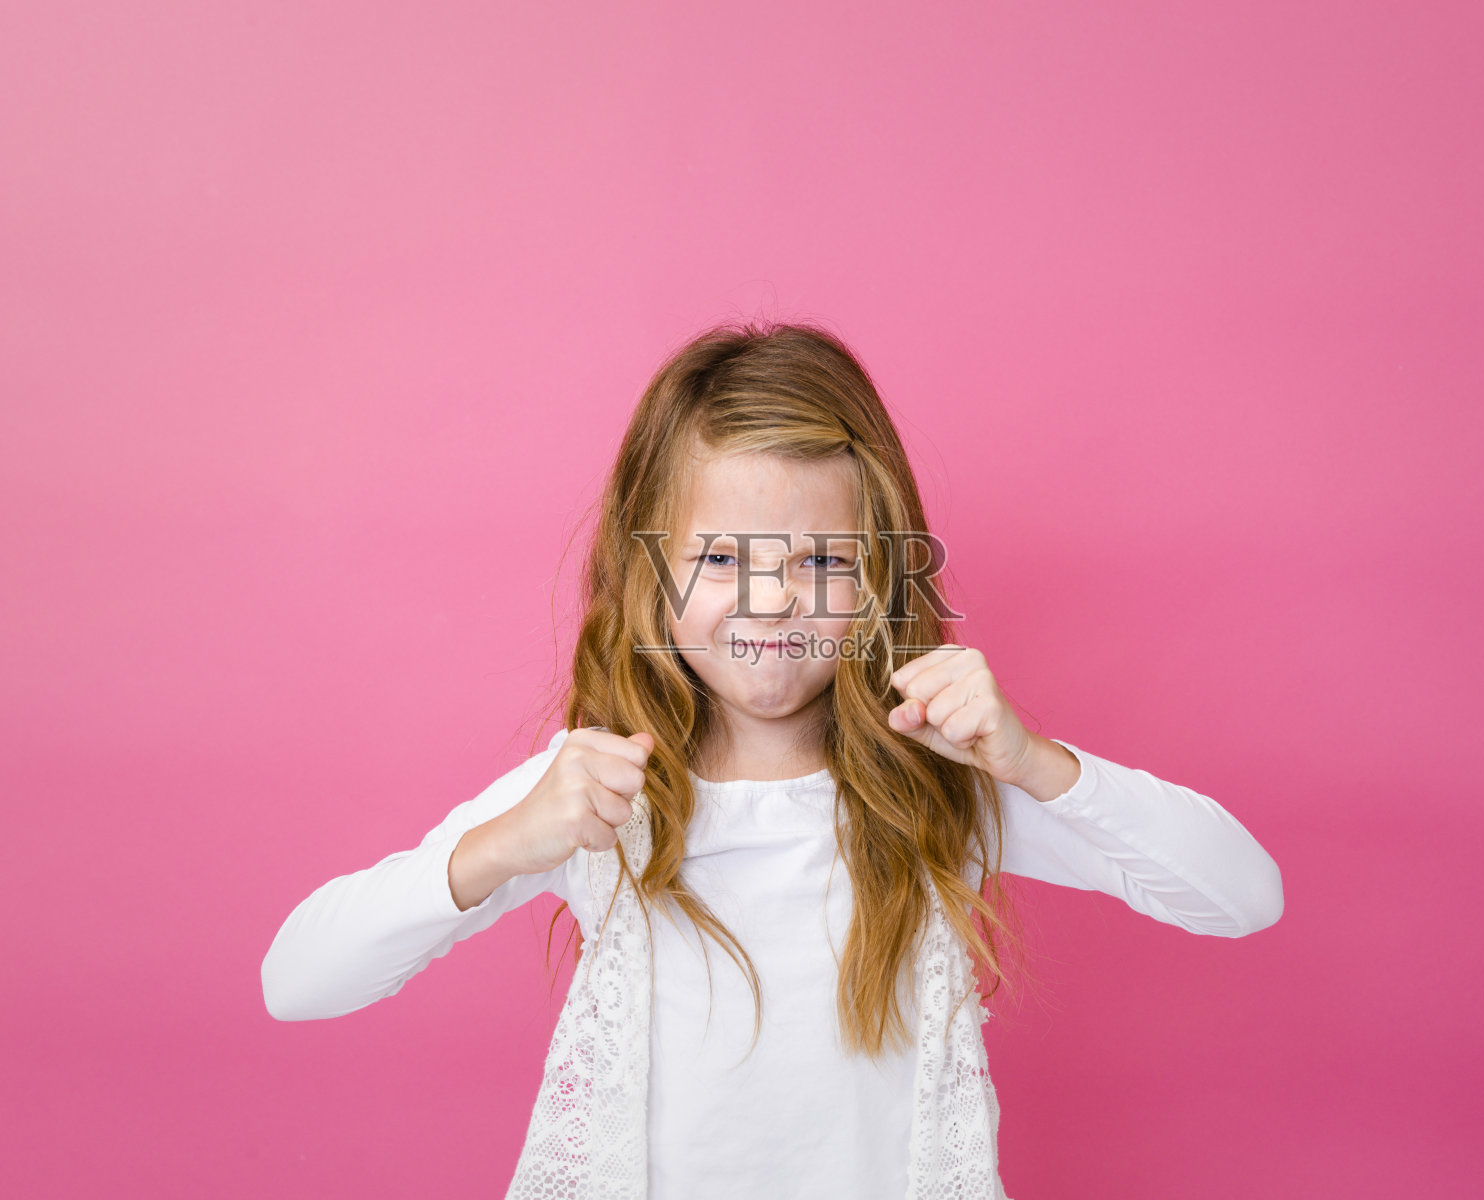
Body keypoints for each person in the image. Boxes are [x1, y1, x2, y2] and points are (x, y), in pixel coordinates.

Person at [261, 320, 1284, 1200]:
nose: (773, 601)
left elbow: (1240, 894)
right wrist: (501, 845)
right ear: (647, 568)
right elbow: (297, 979)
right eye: (719, 559)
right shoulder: (600, 796)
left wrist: (1031, 762)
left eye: (823, 562)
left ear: (879, 573)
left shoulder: (940, 783)